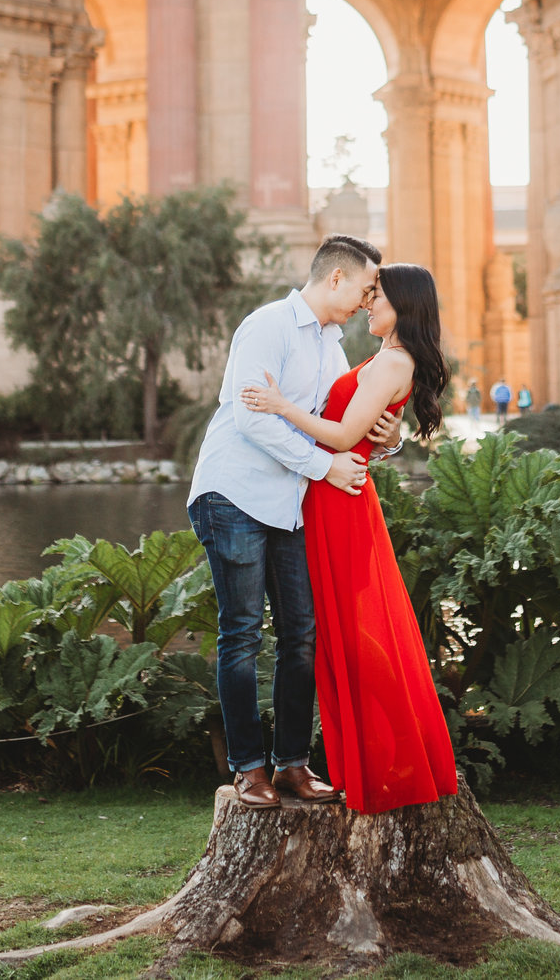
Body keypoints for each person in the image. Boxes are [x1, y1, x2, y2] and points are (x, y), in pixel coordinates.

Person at [243, 263, 460, 814]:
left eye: (378, 295)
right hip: (329, 496)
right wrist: (384, 442)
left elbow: (341, 435)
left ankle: (387, 762)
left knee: (353, 632)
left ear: (404, 304)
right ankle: (367, 758)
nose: (368, 302)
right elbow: (357, 431)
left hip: (339, 503)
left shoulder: (393, 360)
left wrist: (281, 407)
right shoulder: (383, 358)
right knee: (336, 632)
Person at [186, 232, 383, 809]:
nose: (368, 302)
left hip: (288, 502)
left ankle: (292, 764)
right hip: (234, 494)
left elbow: (340, 423)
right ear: (336, 278)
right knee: (242, 632)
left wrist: (386, 442)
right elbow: (254, 421)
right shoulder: (268, 326)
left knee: (301, 634)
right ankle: (249, 770)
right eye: (367, 288)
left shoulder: (331, 345)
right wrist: (324, 467)